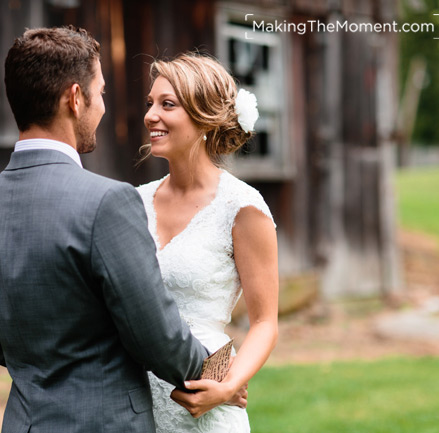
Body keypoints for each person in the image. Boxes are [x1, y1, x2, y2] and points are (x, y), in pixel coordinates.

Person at [0, 27, 243, 433]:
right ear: (75, 99)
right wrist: (217, 375)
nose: (103, 107)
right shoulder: (106, 203)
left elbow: (0, 348)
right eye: (101, 92)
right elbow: (155, 334)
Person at [136, 53, 279, 432]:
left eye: (167, 104)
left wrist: (226, 385)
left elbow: (265, 322)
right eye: (150, 103)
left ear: (203, 117)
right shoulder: (133, 202)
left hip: (208, 406)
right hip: (133, 400)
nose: (151, 115)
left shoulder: (242, 207)